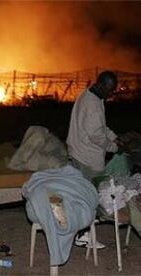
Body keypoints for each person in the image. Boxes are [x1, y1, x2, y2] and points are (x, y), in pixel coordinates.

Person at [67, 70, 120, 249]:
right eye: (110, 89)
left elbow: (100, 126)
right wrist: (115, 147)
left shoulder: (92, 95)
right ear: (102, 84)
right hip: (87, 155)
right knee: (89, 195)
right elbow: (96, 135)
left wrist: (113, 136)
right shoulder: (92, 104)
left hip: (79, 150)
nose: (111, 93)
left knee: (83, 193)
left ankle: (81, 231)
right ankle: (83, 235)